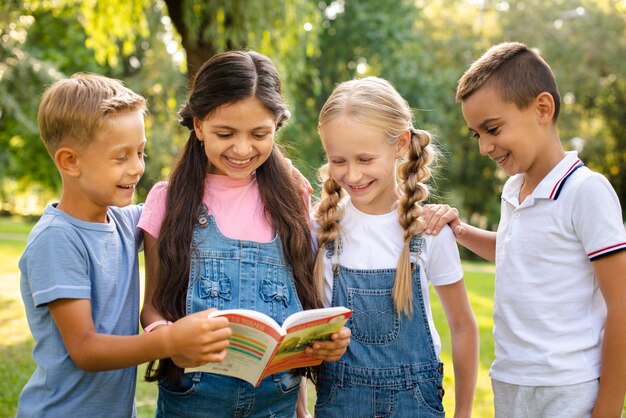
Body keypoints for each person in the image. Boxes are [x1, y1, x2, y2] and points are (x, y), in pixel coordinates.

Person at [138, 50, 351, 418]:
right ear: (199, 125)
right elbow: (152, 306)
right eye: (225, 133)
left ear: (276, 129)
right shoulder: (168, 199)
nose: (241, 148)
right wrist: (169, 341)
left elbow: (296, 304)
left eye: (259, 134)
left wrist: (320, 350)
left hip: (276, 404)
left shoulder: (292, 198)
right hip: (191, 403)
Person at [423, 42, 626, 418]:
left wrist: (608, 410)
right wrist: (462, 231)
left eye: (492, 129)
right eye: (476, 135)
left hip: (567, 389)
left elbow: (623, 305)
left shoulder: (586, 191)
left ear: (542, 109)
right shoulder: (513, 189)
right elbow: (519, 252)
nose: (484, 146)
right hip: (511, 382)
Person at [17, 73, 233, 418]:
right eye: (121, 157)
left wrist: (277, 170)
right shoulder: (57, 240)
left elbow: (178, 198)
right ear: (70, 161)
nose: (137, 168)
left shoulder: (121, 221)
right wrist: (170, 341)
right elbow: (85, 349)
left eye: (140, 152)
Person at [311, 76, 478, 418]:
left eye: (365, 159)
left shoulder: (430, 231)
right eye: (338, 161)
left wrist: (463, 413)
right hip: (340, 402)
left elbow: (463, 326)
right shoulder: (322, 230)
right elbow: (307, 338)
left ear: (400, 144)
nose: (352, 175)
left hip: (415, 404)